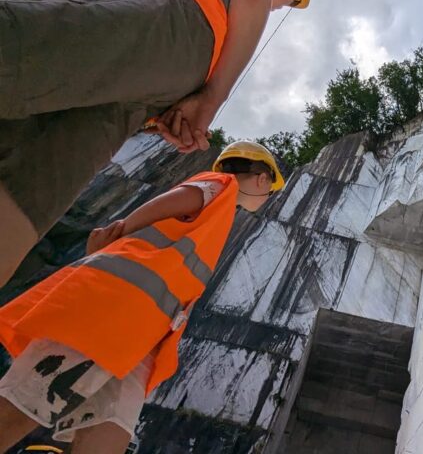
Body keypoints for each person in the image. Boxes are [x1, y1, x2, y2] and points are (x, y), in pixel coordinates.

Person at [0, 0, 314, 287]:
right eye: (286, 2)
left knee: (29, 191)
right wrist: (212, 97)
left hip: (152, 68)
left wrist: (170, 108)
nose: (275, 8)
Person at [0, 141, 283, 453]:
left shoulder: (217, 218)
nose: (267, 197)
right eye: (270, 190)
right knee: (29, 400)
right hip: (113, 307)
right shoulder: (222, 185)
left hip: (143, 334)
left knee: (110, 424)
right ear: (262, 178)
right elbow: (177, 199)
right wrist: (118, 233)